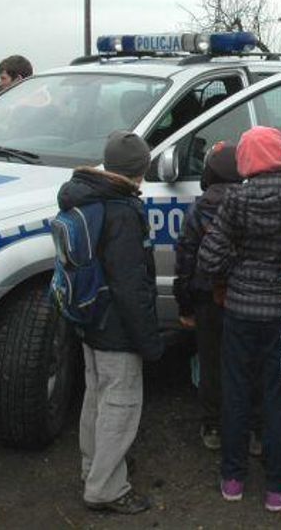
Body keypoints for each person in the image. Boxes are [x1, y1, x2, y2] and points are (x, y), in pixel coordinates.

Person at [198, 126, 281, 513]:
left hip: (240, 311)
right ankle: (278, 488)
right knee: (277, 397)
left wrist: (237, 270)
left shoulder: (234, 200)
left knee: (236, 394)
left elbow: (209, 258)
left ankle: (232, 479)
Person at [56, 130, 163, 514]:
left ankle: (94, 468)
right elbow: (131, 285)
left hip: (89, 315)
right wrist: (148, 340)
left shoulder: (84, 195)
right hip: (117, 325)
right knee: (121, 403)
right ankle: (106, 488)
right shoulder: (122, 210)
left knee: (96, 396)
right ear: (140, 170)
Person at [173, 142, 243, 451]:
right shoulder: (248, 202)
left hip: (206, 298)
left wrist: (184, 302)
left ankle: (213, 426)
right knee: (246, 363)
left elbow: (186, 258)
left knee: (211, 362)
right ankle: (252, 428)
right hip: (244, 296)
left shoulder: (200, 208)